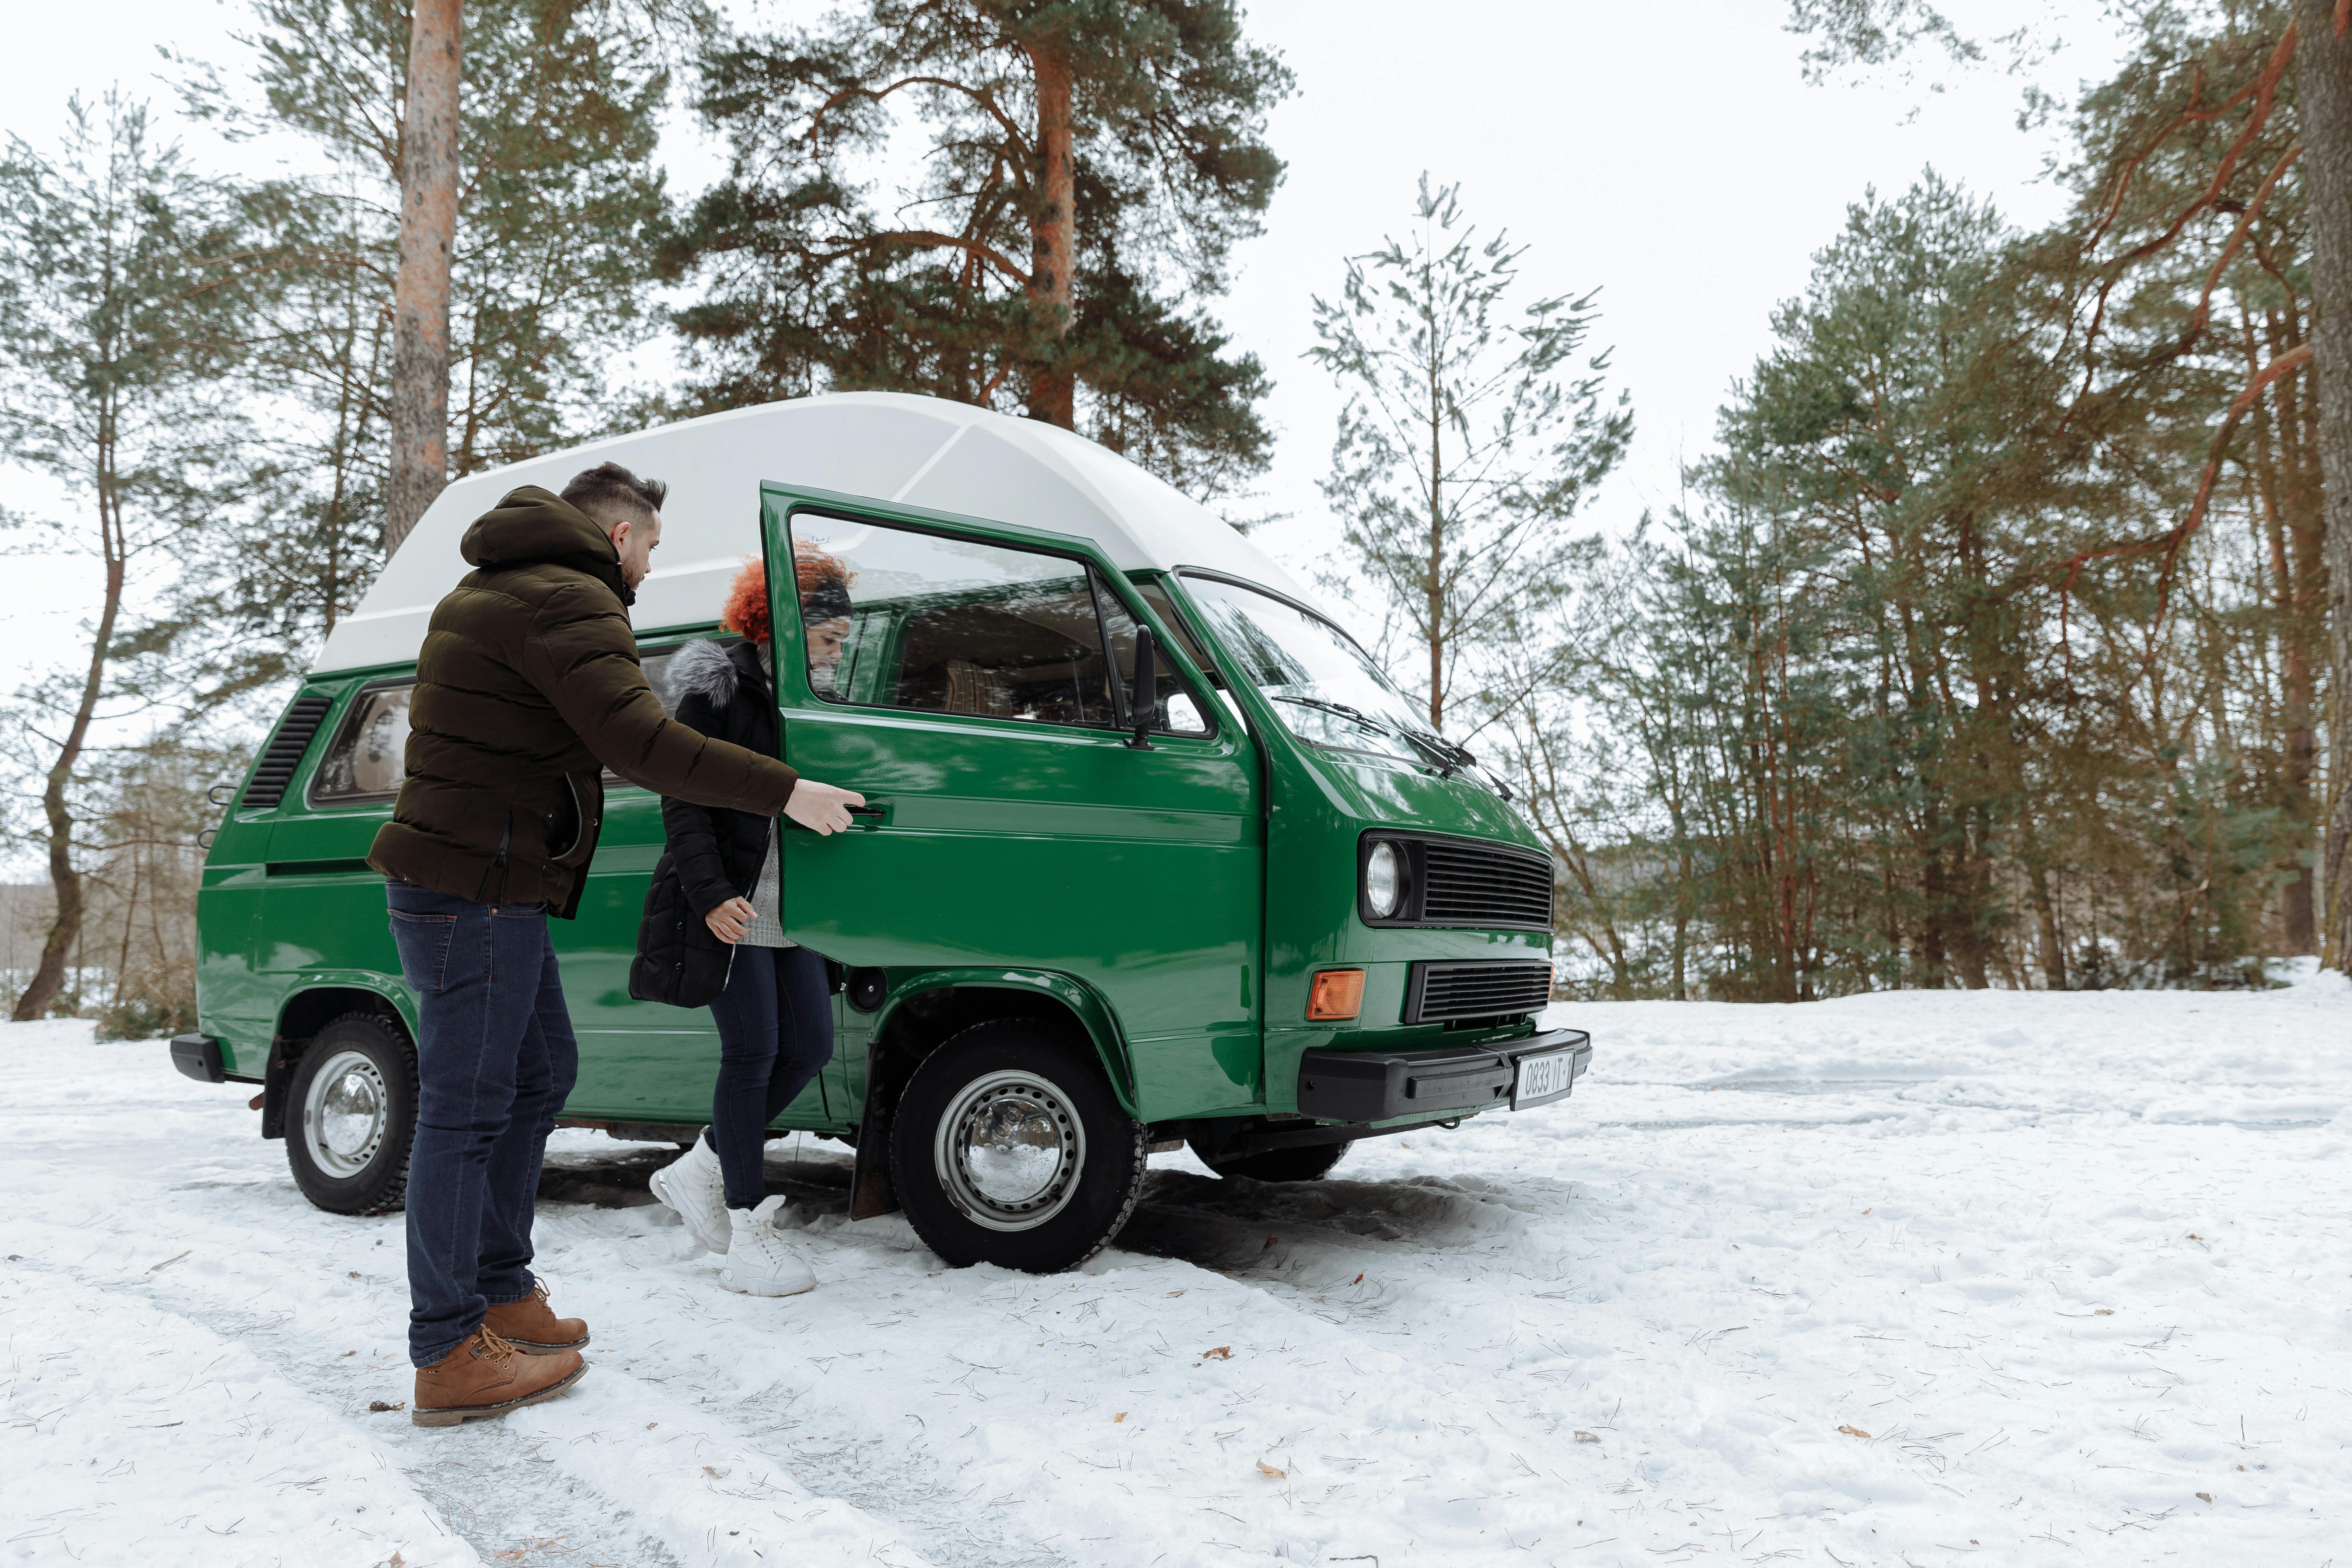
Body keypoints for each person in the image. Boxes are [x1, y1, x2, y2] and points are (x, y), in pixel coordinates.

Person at [368, 463, 865, 1428]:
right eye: (650, 552)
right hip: (473, 890)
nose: (645, 573)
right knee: (466, 1113)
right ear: (623, 538)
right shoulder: (568, 595)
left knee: (540, 1071)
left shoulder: (501, 588)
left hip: (488, 885)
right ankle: (448, 1348)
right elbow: (640, 742)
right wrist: (784, 789)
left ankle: (502, 1288)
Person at [632, 549, 855, 1296]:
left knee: (811, 1045)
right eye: (828, 635)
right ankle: (745, 1230)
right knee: (752, 1050)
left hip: (800, 906)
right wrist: (706, 893)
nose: (839, 646)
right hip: (734, 898)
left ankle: (700, 1165)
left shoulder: (818, 698)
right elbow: (681, 794)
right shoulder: (719, 684)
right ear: (786, 624)